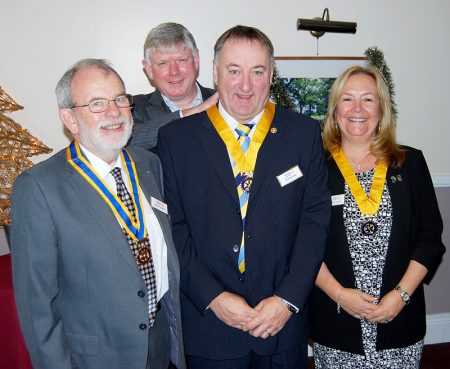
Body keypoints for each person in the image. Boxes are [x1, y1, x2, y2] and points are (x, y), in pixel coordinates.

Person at [158, 25, 331, 369]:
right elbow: (173, 230)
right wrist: (214, 298)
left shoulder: (304, 134)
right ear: (215, 73)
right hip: (210, 327)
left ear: (270, 75)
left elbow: (314, 223)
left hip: (281, 324)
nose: (246, 85)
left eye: (258, 72)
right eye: (234, 71)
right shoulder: (177, 139)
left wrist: (286, 300)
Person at [10, 59, 185, 369]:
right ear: (70, 119)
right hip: (95, 358)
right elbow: (38, 308)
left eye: (119, 98)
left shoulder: (147, 165)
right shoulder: (38, 188)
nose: (114, 111)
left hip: (161, 346)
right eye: (96, 103)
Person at [309, 65, 446, 368]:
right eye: (347, 99)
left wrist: (401, 295)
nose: (357, 109)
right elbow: (301, 243)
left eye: (368, 99)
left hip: (400, 317)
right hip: (337, 317)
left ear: (382, 110)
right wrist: (340, 295)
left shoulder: (410, 163)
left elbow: (429, 238)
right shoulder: (315, 168)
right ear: (334, 111)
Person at [128, 22, 218, 153]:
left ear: (196, 60)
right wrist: (193, 112)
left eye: (181, 60)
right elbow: (127, 140)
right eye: (163, 63)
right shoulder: (133, 107)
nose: (174, 72)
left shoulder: (225, 102)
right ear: (149, 69)